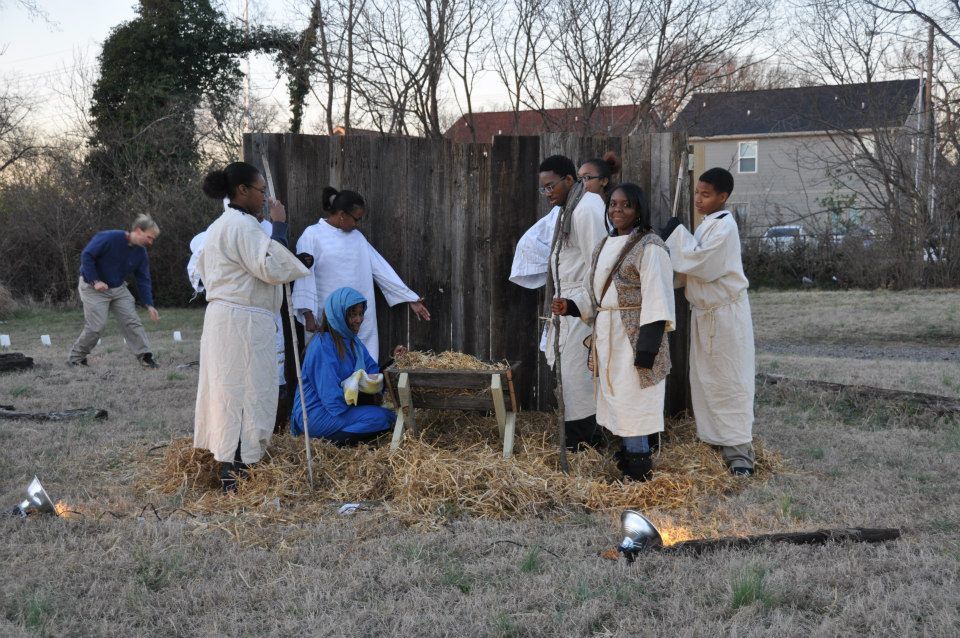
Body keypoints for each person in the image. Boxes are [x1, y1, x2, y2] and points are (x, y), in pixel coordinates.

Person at [192, 161, 312, 492]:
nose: (264, 198)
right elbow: (272, 266)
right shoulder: (242, 227)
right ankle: (239, 476)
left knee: (230, 393)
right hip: (240, 324)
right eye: (261, 191)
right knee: (247, 393)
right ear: (242, 191)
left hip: (225, 321)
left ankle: (233, 469)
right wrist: (280, 226)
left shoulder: (220, 226)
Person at [552, 183, 675, 481]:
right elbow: (591, 293)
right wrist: (570, 305)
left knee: (634, 401)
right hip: (608, 335)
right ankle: (625, 457)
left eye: (626, 205)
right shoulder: (602, 246)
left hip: (635, 339)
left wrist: (646, 350)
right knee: (617, 400)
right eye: (613, 205)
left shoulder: (651, 246)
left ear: (638, 210)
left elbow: (658, 298)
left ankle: (638, 469)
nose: (617, 210)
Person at [661, 167, 756, 476]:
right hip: (705, 315)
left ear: (722, 197)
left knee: (730, 380)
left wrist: (676, 235)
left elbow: (702, 263)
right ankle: (714, 439)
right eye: (698, 193)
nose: (699, 200)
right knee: (706, 381)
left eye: (706, 195)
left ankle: (740, 451)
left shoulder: (725, 227)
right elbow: (688, 266)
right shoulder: (706, 225)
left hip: (725, 317)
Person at [291, 187, 430, 362]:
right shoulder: (312, 235)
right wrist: (308, 315)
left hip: (358, 316)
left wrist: (409, 297)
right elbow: (304, 275)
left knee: (362, 362)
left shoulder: (357, 238)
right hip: (326, 319)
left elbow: (380, 268)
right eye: (356, 219)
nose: (357, 224)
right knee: (327, 361)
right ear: (342, 215)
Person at [541, 154, 608, 450]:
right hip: (567, 302)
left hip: (581, 305)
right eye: (543, 188)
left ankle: (586, 443)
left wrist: (583, 305)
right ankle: (578, 439)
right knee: (570, 374)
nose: (547, 193)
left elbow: (601, 263)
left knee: (579, 373)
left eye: (551, 186)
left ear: (569, 180)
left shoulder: (586, 209)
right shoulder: (570, 208)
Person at [290, 287, 396, 445]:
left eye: (361, 314)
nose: (359, 320)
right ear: (338, 314)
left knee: (387, 417)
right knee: (383, 418)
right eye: (352, 314)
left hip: (338, 409)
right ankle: (329, 442)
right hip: (315, 414)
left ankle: (343, 436)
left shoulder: (354, 343)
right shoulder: (322, 345)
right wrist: (358, 393)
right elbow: (331, 398)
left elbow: (373, 376)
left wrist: (395, 359)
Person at [68, 215, 161, 369]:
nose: (150, 242)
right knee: (96, 326)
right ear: (138, 231)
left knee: (132, 321)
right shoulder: (110, 238)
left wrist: (149, 304)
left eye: (152, 239)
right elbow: (87, 255)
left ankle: (145, 356)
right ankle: (76, 358)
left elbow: (143, 278)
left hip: (118, 288)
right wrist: (95, 281)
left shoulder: (141, 253)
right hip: (92, 288)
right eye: (149, 237)